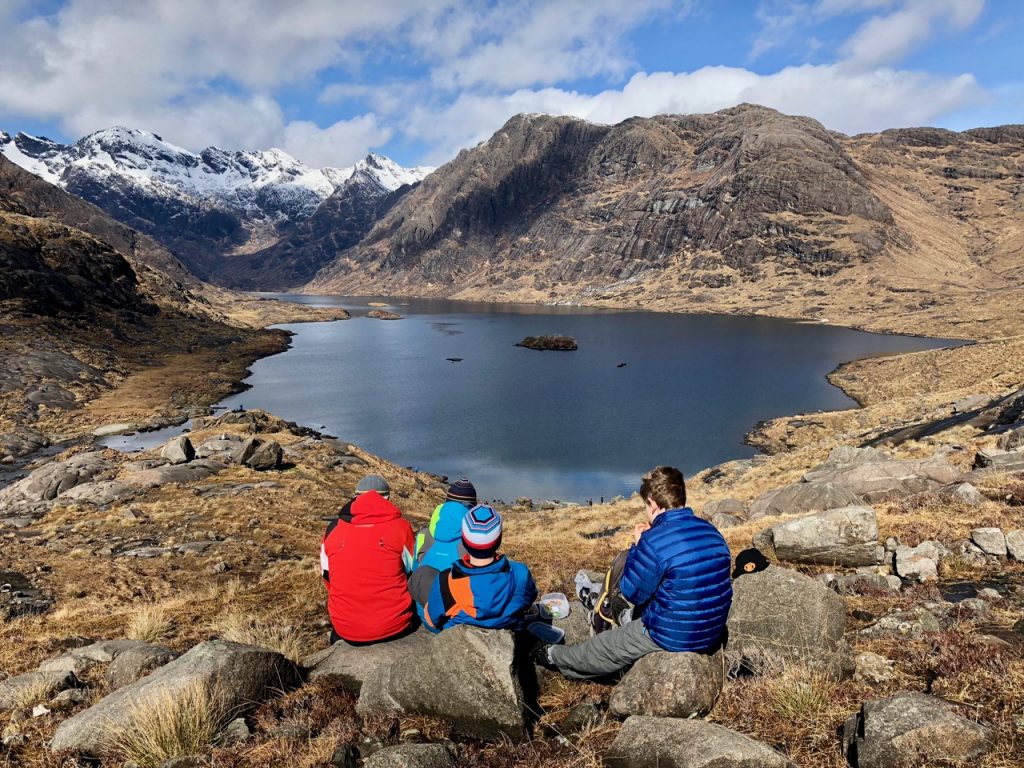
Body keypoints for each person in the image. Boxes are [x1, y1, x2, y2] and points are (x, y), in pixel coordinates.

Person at [538, 466, 732, 679]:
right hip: (712, 631)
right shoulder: (711, 531)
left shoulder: (654, 541)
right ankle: (624, 617)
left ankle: (552, 655)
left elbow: (632, 592)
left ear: (653, 503)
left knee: (603, 647)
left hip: (673, 635)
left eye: (646, 506)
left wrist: (638, 547)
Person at [321, 474, 416, 644]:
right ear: (387, 498)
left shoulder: (333, 529)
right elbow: (411, 572)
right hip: (396, 625)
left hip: (346, 629)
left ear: (355, 497)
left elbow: (327, 576)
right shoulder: (402, 527)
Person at [422, 504, 538, 632]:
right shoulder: (520, 574)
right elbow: (528, 600)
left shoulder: (445, 581)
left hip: (459, 643)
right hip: (510, 639)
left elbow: (431, 621)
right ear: (498, 540)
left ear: (464, 540)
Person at [408, 477, 477, 612]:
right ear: (471, 508)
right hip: (457, 617)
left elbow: (415, 572)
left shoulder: (423, 534)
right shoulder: (472, 541)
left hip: (424, 614)